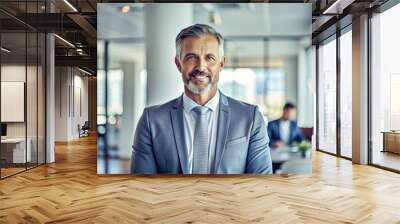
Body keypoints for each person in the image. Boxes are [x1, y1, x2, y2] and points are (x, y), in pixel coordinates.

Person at [131, 24, 272, 174]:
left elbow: (261, 185)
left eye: (210, 58)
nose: (201, 67)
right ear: (179, 64)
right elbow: (141, 187)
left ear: (221, 64)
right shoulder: (151, 120)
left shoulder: (250, 118)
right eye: (191, 57)